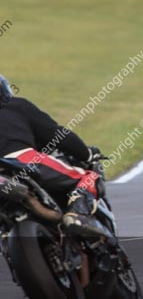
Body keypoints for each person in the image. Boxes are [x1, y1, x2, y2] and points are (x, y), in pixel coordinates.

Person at [0, 75, 108, 239]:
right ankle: (77, 216)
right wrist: (87, 153)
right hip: (22, 158)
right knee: (88, 177)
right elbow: (56, 134)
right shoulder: (17, 106)